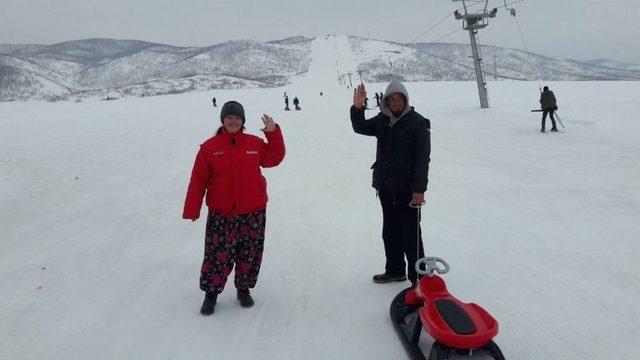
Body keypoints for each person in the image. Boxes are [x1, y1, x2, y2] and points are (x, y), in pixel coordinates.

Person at [183, 100, 286, 315]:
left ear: (243, 121)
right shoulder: (210, 147)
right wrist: (192, 209)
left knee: (250, 252)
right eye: (229, 117)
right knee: (217, 254)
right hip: (222, 212)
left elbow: (275, 158)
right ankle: (211, 293)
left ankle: (244, 288)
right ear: (222, 120)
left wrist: (273, 133)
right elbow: (198, 180)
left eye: (237, 118)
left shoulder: (255, 143)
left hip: (253, 210)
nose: (233, 121)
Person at [350, 80, 431, 287]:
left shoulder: (418, 123)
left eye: (399, 98)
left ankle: (419, 279)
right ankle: (395, 270)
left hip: (408, 191)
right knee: (390, 231)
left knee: (411, 234)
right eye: (391, 99)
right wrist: (357, 108)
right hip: (386, 188)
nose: (395, 102)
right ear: (386, 101)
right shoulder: (382, 120)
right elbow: (359, 127)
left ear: (405, 100)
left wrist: (419, 190)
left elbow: (422, 159)